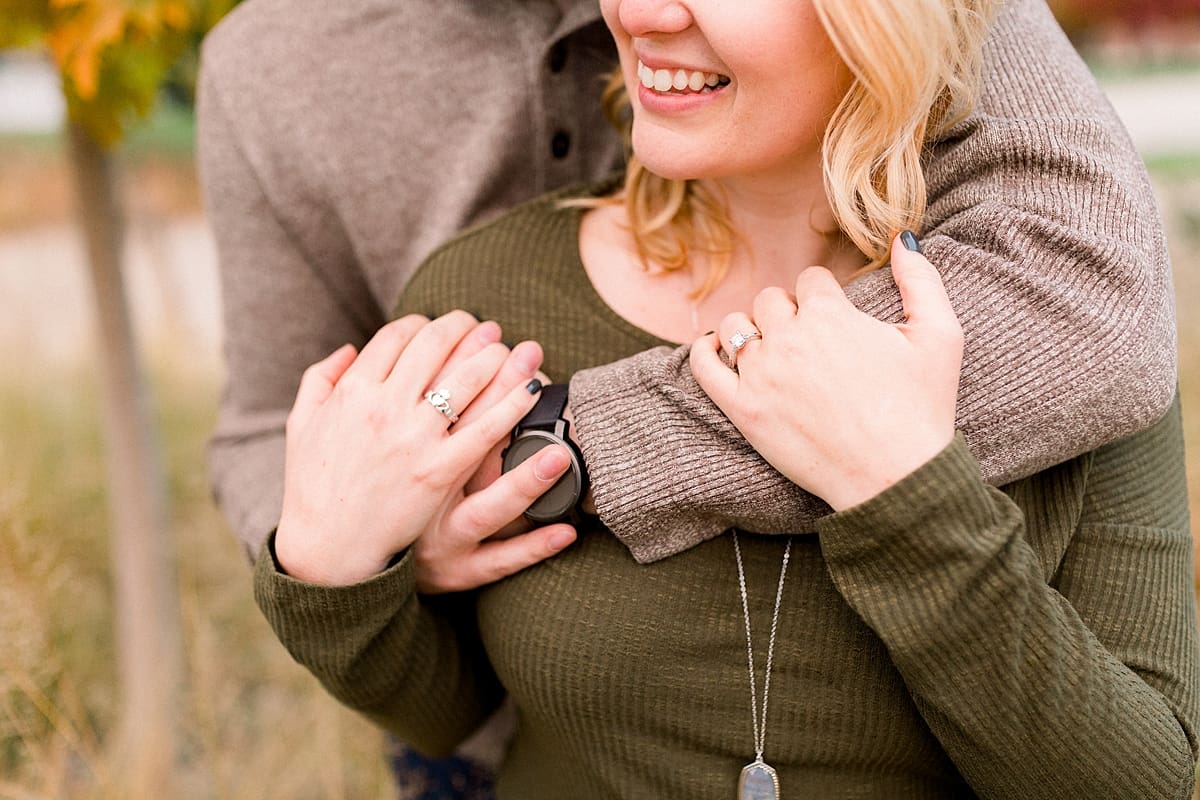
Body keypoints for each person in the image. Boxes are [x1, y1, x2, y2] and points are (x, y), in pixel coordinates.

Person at [248, 0, 1199, 796]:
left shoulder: (1051, 316)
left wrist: (907, 498)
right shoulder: (494, 294)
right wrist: (333, 571)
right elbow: (451, 706)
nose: (639, 13)